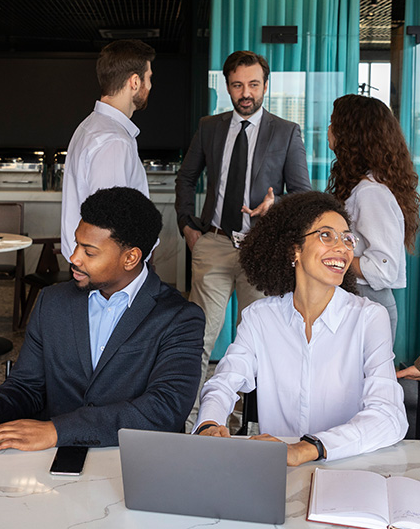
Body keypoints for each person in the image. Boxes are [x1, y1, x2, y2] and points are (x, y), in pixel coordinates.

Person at [0, 187, 204, 452]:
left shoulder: (179, 317)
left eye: (89, 252)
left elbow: (164, 409)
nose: (73, 258)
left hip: (135, 461)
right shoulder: (52, 302)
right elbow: (28, 386)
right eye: (76, 243)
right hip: (53, 464)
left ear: (131, 258)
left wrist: (59, 431)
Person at [193, 191, 407, 466]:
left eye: (347, 238)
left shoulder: (368, 318)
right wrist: (209, 423)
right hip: (277, 472)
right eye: (326, 235)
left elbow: (389, 416)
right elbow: (224, 381)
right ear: (294, 249)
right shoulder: (261, 317)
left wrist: (308, 448)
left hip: (346, 468)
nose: (342, 248)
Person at [175, 50, 311, 429]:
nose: (246, 93)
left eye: (253, 84)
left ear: (265, 86)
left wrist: (276, 204)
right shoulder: (210, 127)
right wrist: (188, 226)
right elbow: (186, 178)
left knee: (259, 343)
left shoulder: (286, 132)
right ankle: (187, 422)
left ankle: (252, 424)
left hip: (262, 249)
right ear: (228, 86)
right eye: (238, 85)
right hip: (214, 244)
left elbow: (302, 194)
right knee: (198, 336)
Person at [327, 94, 419, 342]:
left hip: (367, 305)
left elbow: (383, 269)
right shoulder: (362, 186)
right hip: (355, 302)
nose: (329, 129)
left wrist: (330, 259)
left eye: (333, 122)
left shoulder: (371, 193)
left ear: (351, 134)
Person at [61, 39, 156, 261]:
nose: (150, 86)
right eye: (149, 78)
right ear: (134, 81)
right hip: (110, 272)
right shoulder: (114, 140)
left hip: (93, 266)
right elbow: (110, 224)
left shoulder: (90, 126)